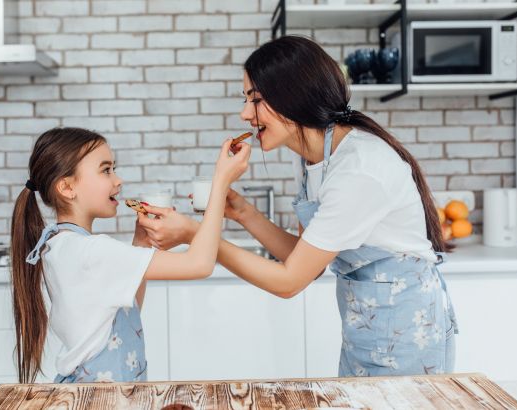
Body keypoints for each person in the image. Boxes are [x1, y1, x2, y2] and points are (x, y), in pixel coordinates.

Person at [137, 36, 458, 377]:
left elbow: (290, 281)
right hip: (366, 334)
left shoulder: (358, 169)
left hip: (409, 338)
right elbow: (304, 258)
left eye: (255, 99)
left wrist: (195, 234)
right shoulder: (312, 158)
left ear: (293, 95)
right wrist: (243, 212)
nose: (245, 113)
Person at [10, 127, 250, 383]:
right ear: (67, 187)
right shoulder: (93, 251)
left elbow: (121, 309)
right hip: (101, 398)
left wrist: (141, 244)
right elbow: (199, 264)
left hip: (90, 392)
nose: (118, 180)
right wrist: (220, 183)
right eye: (106, 170)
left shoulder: (62, 244)